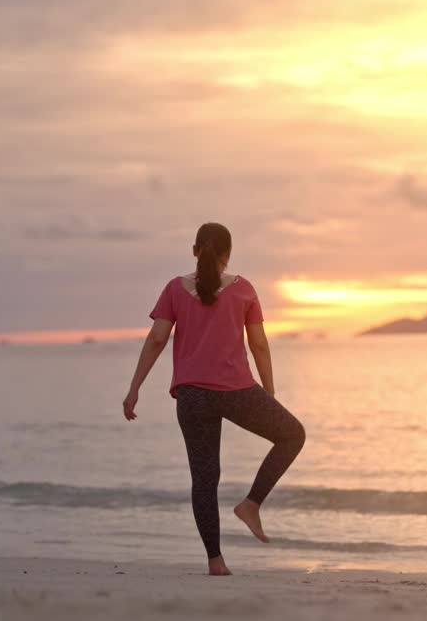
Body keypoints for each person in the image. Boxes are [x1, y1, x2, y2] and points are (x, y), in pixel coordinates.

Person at [122, 222, 306, 576]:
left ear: (195, 250)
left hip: (190, 395)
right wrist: (268, 393)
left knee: (205, 479)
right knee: (292, 434)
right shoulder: (244, 289)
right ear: (228, 254)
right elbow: (259, 345)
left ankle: (216, 562)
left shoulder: (175, 289)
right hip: (236, 390)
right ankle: (251, 504)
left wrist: (135, 388)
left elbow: (157, 339)